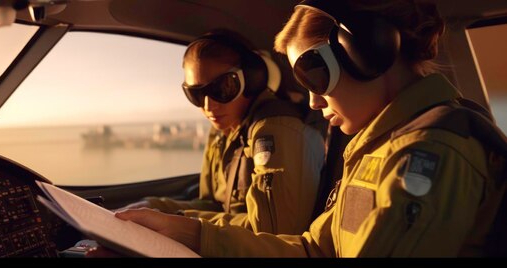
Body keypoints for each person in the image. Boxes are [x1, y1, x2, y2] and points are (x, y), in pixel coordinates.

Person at [115, 0, 507, 257]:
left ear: (364, 54)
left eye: (315, 77)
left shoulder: (429, 154)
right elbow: (313, 250)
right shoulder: (376, 146)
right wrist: (184, 233)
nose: (315, 103)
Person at [121, 29, 326, 235]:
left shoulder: (276, 131)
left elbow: (273, 232)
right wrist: (153, 207)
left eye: (222, 88)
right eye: (196, 94)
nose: (209, 106)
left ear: (254, 79)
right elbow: (214, 205)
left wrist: (180, 223)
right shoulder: (222, 132)